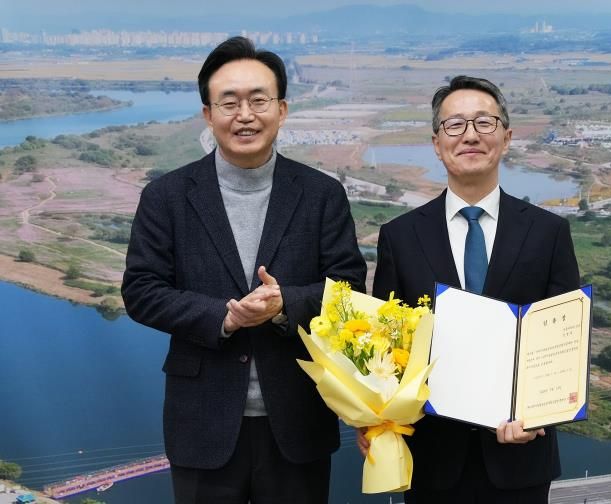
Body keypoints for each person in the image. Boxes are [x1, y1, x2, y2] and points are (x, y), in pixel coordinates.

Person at [122, 36, 366, 504]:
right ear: (207, 114)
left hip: (298, 419)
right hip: (202, 422)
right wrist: (226, 316)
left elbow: (349, 288)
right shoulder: (166, 197)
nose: (245, 115)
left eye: (259, 100)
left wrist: (284, 304)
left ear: (282, 109)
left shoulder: (321, 194)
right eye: (229, 102)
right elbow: (142, 291)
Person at [362, 75, 580, 503]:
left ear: (507, 137)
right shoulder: (400, 236)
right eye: (455, 125)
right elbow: (386, 345)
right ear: (437, 143)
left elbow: (563, 341)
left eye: (484, 122)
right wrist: (375, 417)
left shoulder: (549, 232)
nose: (471, 136)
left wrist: (538, 414)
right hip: (432, 457)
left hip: (521, 456)